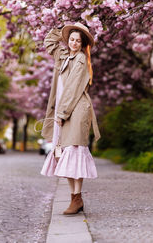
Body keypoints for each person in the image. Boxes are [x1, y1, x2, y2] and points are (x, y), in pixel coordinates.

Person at [40, 22, 100, 215]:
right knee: (63, 153)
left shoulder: (81, 59)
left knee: (74, 151)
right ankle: (74, 198)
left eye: (78, 40)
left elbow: (74, 88)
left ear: (82, 44)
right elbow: (49, 41)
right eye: (71, 39)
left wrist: (62, 113)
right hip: (63, 109)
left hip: (74, 110)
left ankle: (77, 197)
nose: (74, 43)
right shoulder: (64, 55)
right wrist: (63, 29)